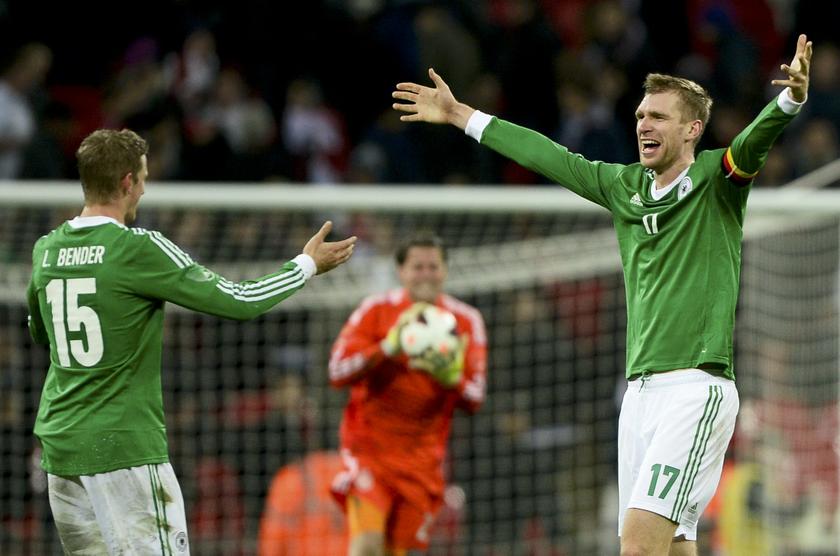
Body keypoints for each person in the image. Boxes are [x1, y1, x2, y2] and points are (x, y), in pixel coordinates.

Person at [392, 33, 813, 556]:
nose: (643, 124)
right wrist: (462, 116)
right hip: (637, 398)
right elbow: (549, 156)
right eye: (640, 115)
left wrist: (789, 100)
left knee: (637, 547)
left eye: (658, 116)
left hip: (694, 389)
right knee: (674, 546)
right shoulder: (623, 187)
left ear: (692, 129)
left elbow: (754, 141)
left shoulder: (716, 179)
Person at [25, 128, 356, 555]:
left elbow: (41, 333)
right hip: (123, 449)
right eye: (143, 178)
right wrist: (305, 265)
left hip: (61, 449)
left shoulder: (46, 250)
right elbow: (239, 301)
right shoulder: (137, 248)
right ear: (127, 182)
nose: (144, 189)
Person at [327, 233, 487, 555]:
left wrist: (450, 377)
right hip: (369, 453)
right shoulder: (376, 310)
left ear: (445, 270)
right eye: (417, 267)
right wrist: (388, 348)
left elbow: (475, 395)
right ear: (400, 271)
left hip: (423, 465)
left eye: (433, 266)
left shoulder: (466, 321)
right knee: (367, 548)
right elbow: (337, 370)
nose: (426, 274)